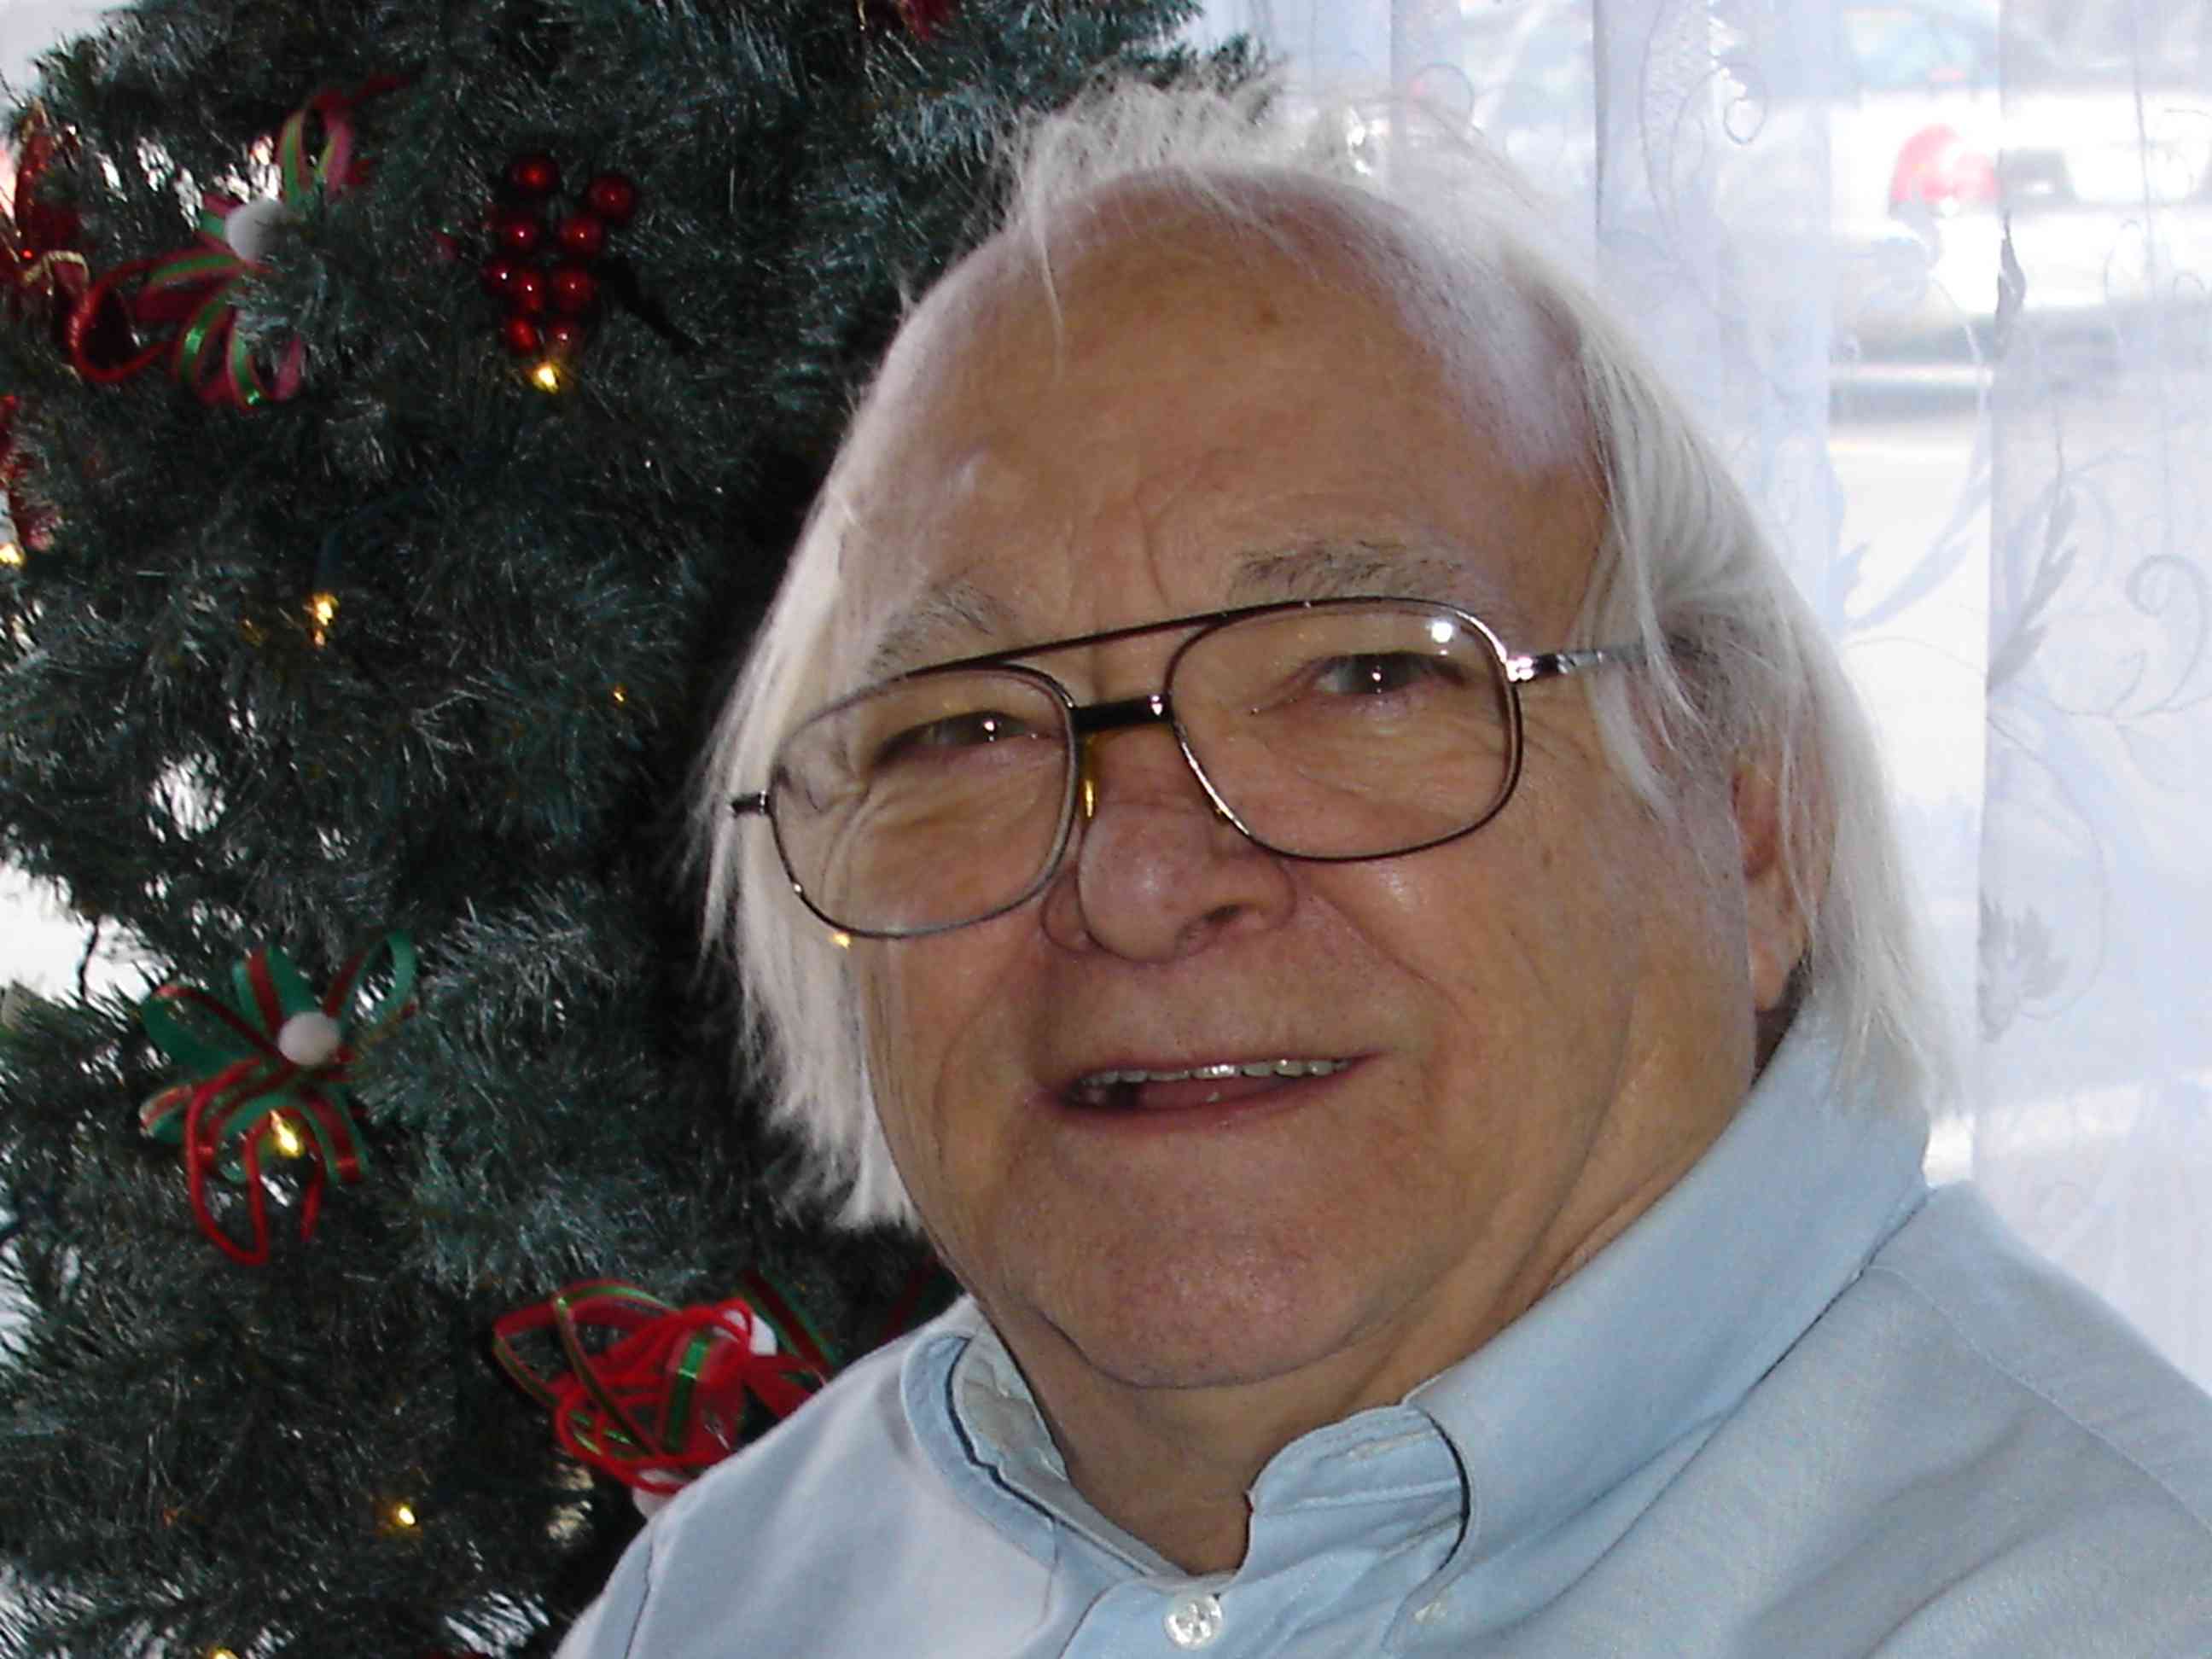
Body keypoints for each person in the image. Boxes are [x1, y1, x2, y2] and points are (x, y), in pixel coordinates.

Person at [561, 81, 2212, 1656]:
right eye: (963, 731)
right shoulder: (725, 1594)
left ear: (1750, 821)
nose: (1137, 882)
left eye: (1361, 676)